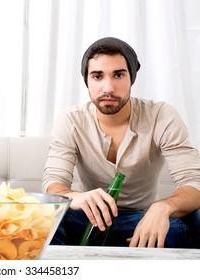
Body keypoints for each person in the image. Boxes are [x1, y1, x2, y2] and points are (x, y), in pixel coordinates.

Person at [43, 37, 200, 248]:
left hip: (146, 222)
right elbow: (53, 184)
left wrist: (162, 208)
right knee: (44, 215)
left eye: (118, 75)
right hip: (87, 222)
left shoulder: (161, 115)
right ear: (87, 81)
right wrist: (74, 197)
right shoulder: (71, 120)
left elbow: (193, 181)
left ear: (131, 79)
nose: (108, 87)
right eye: (97, 76)